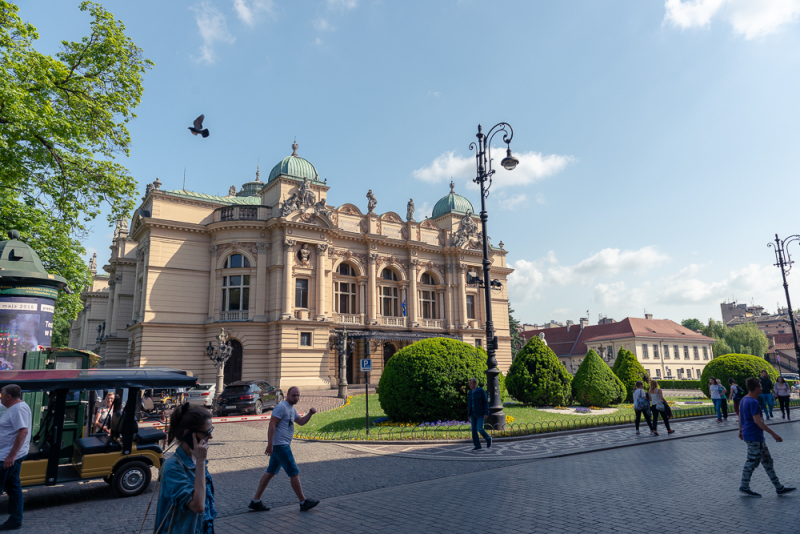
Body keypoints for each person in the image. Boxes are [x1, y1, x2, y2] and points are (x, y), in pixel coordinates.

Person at [249, 387, 319, 512]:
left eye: (298, 395)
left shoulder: (291, 409)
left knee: (270, 472)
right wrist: (270, 444)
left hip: (281, 445)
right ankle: (303, 502)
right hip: (281, 446)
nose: (296, 398)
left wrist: (310, 414)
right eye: (294, 395)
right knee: (294, 472)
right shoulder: (281, 407)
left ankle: (255, 501)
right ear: (287, 395)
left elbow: (301, 422)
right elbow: (272, 424)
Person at [154, 404, 216, 533]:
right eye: (207, 432)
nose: (210, 437)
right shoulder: (173, 466)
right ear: (188, 434)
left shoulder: (195, 459)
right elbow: (198, 506)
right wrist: (200, 462)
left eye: (211, 431)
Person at [738, 377, 796, 498]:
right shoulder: (753, 402)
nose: (762, 387)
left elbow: (740, 417)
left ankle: (779, 487)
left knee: (767, 462)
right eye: (760, 385)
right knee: (751, 461)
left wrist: (740, 430)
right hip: (754, 436)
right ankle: (744, 486)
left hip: (754, 436)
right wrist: (773, 434)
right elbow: (757, 420)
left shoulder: (744, 399)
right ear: (757, 388)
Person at [0, 384, 31, 531]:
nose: (0, 398)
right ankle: (16, 519)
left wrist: (11, 456)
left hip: (7, 456)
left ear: (8, 397)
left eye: (1, 395)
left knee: (10, 487)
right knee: (13, 488)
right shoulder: (14, 408)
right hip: (7, 454)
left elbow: (23, 432)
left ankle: (16, 519)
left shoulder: (18, 409)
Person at [467, 378, 492, 450]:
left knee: (480, 428)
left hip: (480, 413)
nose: (470, 385)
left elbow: (485, 402)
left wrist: (486, 413)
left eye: (471, 383)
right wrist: (469, 415)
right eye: (469, 383)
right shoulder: (470, 392)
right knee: (473, 431)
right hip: (472, 414)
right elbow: (469, 404)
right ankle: (477, 445)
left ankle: (488, 438)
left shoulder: (481, 391)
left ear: (475, 383)